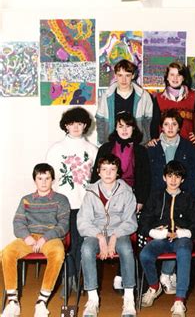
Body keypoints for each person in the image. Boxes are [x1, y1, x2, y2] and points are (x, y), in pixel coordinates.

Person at [91, 111, 150, 291]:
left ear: (134, 128)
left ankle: (122, 274)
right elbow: (95, 176)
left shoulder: (141, 150)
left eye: (128, 126)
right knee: (109, 228)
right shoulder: (105, 148)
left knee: (128, 234)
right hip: (107, 197)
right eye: (120, 126)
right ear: (115, 128)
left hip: (131, 197)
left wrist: (140, 200)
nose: (124, 130)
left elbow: (146, 178)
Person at [1, 163, 70, 317]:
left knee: (58, 254)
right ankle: (13, 301)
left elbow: (63, 225)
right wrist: (27, 237)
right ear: (35, 180)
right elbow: (18, 222)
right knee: (7, 252)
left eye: (47, 178)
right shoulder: (26, 200)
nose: (44, 182)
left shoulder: (61, 200)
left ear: (52, 180)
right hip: (29, 238)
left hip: (51, 238)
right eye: (40, 178)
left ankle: (41, 302)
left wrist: (45, 238)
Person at [77, 154, 138, 317]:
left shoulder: (126, 191)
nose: (108, 173)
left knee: (125, 249)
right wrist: (99, 236)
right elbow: (83, 221)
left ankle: (129, 298)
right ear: (98, 172)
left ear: (118, 172)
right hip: (96, 233)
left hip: (119, 232)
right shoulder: (90, 192)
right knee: (87, 249)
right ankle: (92, 299)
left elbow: (131, 221)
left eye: (112, 169)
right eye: (104, 169)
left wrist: (114, 236)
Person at [139, 161, 195, 317]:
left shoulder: (189, 198)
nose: (173, 180)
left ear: (183, 180)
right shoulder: (155, 197)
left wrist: (185, 232)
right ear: (164, 177)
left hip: (181, 239)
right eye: (170, 176)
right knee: (145, 255)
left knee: (184, 252)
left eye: (177, 176)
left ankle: (179, 299)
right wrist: (154, 231)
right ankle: (154, 286)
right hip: (161, 238)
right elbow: (143, 222)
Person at [46, 107, 97, 291]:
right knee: (62, 244)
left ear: (85, 126)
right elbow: (48, 179)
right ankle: (68, 278)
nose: (76, 127)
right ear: (65, 126)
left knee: (79, 244)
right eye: (71, 123)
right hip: (61, 204)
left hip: (84, 206)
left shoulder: (93, 150)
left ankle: (76, 279)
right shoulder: (56, 149)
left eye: (80, 123)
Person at [148, 108, 195, 293]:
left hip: (181, 198)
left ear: (179, 127)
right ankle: (164, 276)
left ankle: (167, 274)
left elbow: (191, 176)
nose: (170, 128)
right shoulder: (152, 147)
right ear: (161, 126)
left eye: (174, 124)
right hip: (159, 199)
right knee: (163, 231)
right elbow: (149, 175)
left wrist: (193, 197)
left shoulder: (188, 147)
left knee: (177, 230)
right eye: (166, 124)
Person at [150, 61, 195, 143]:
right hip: (164, 146)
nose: (175, 78)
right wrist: (154, 139)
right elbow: (155, 122)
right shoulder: (159, 98)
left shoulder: (193, 97)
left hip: (187, 146)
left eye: (179, 75)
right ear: (167, 77)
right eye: (172, 75)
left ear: (183, 78)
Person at [96, 59, 153, 145]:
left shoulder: (144, 96)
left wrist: (146, 141)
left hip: (137, 144)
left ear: (133, 76)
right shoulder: (107, 95)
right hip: (113, 143)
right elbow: (100, 120)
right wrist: (103, 141)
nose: (123, 79)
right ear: (115, 75)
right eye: (120, 75)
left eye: (127, 75)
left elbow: (149, 122)